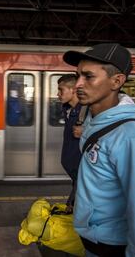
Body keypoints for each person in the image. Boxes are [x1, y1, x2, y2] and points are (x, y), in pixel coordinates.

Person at [62, 43, 135, 256]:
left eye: (88, 77)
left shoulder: (133, 136)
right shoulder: (92, 121)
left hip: (113, 247)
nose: (78, 84)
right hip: (92, 241)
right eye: (77, 75)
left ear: (117, 81)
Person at [57, 74, 83, 212]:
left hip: (82, 174)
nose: (58, 94)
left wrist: (86, 131)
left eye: (61, 90)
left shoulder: (86, 111)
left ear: (73, 90)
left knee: (73, 209)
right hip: (74, 173)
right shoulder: (68, 109)